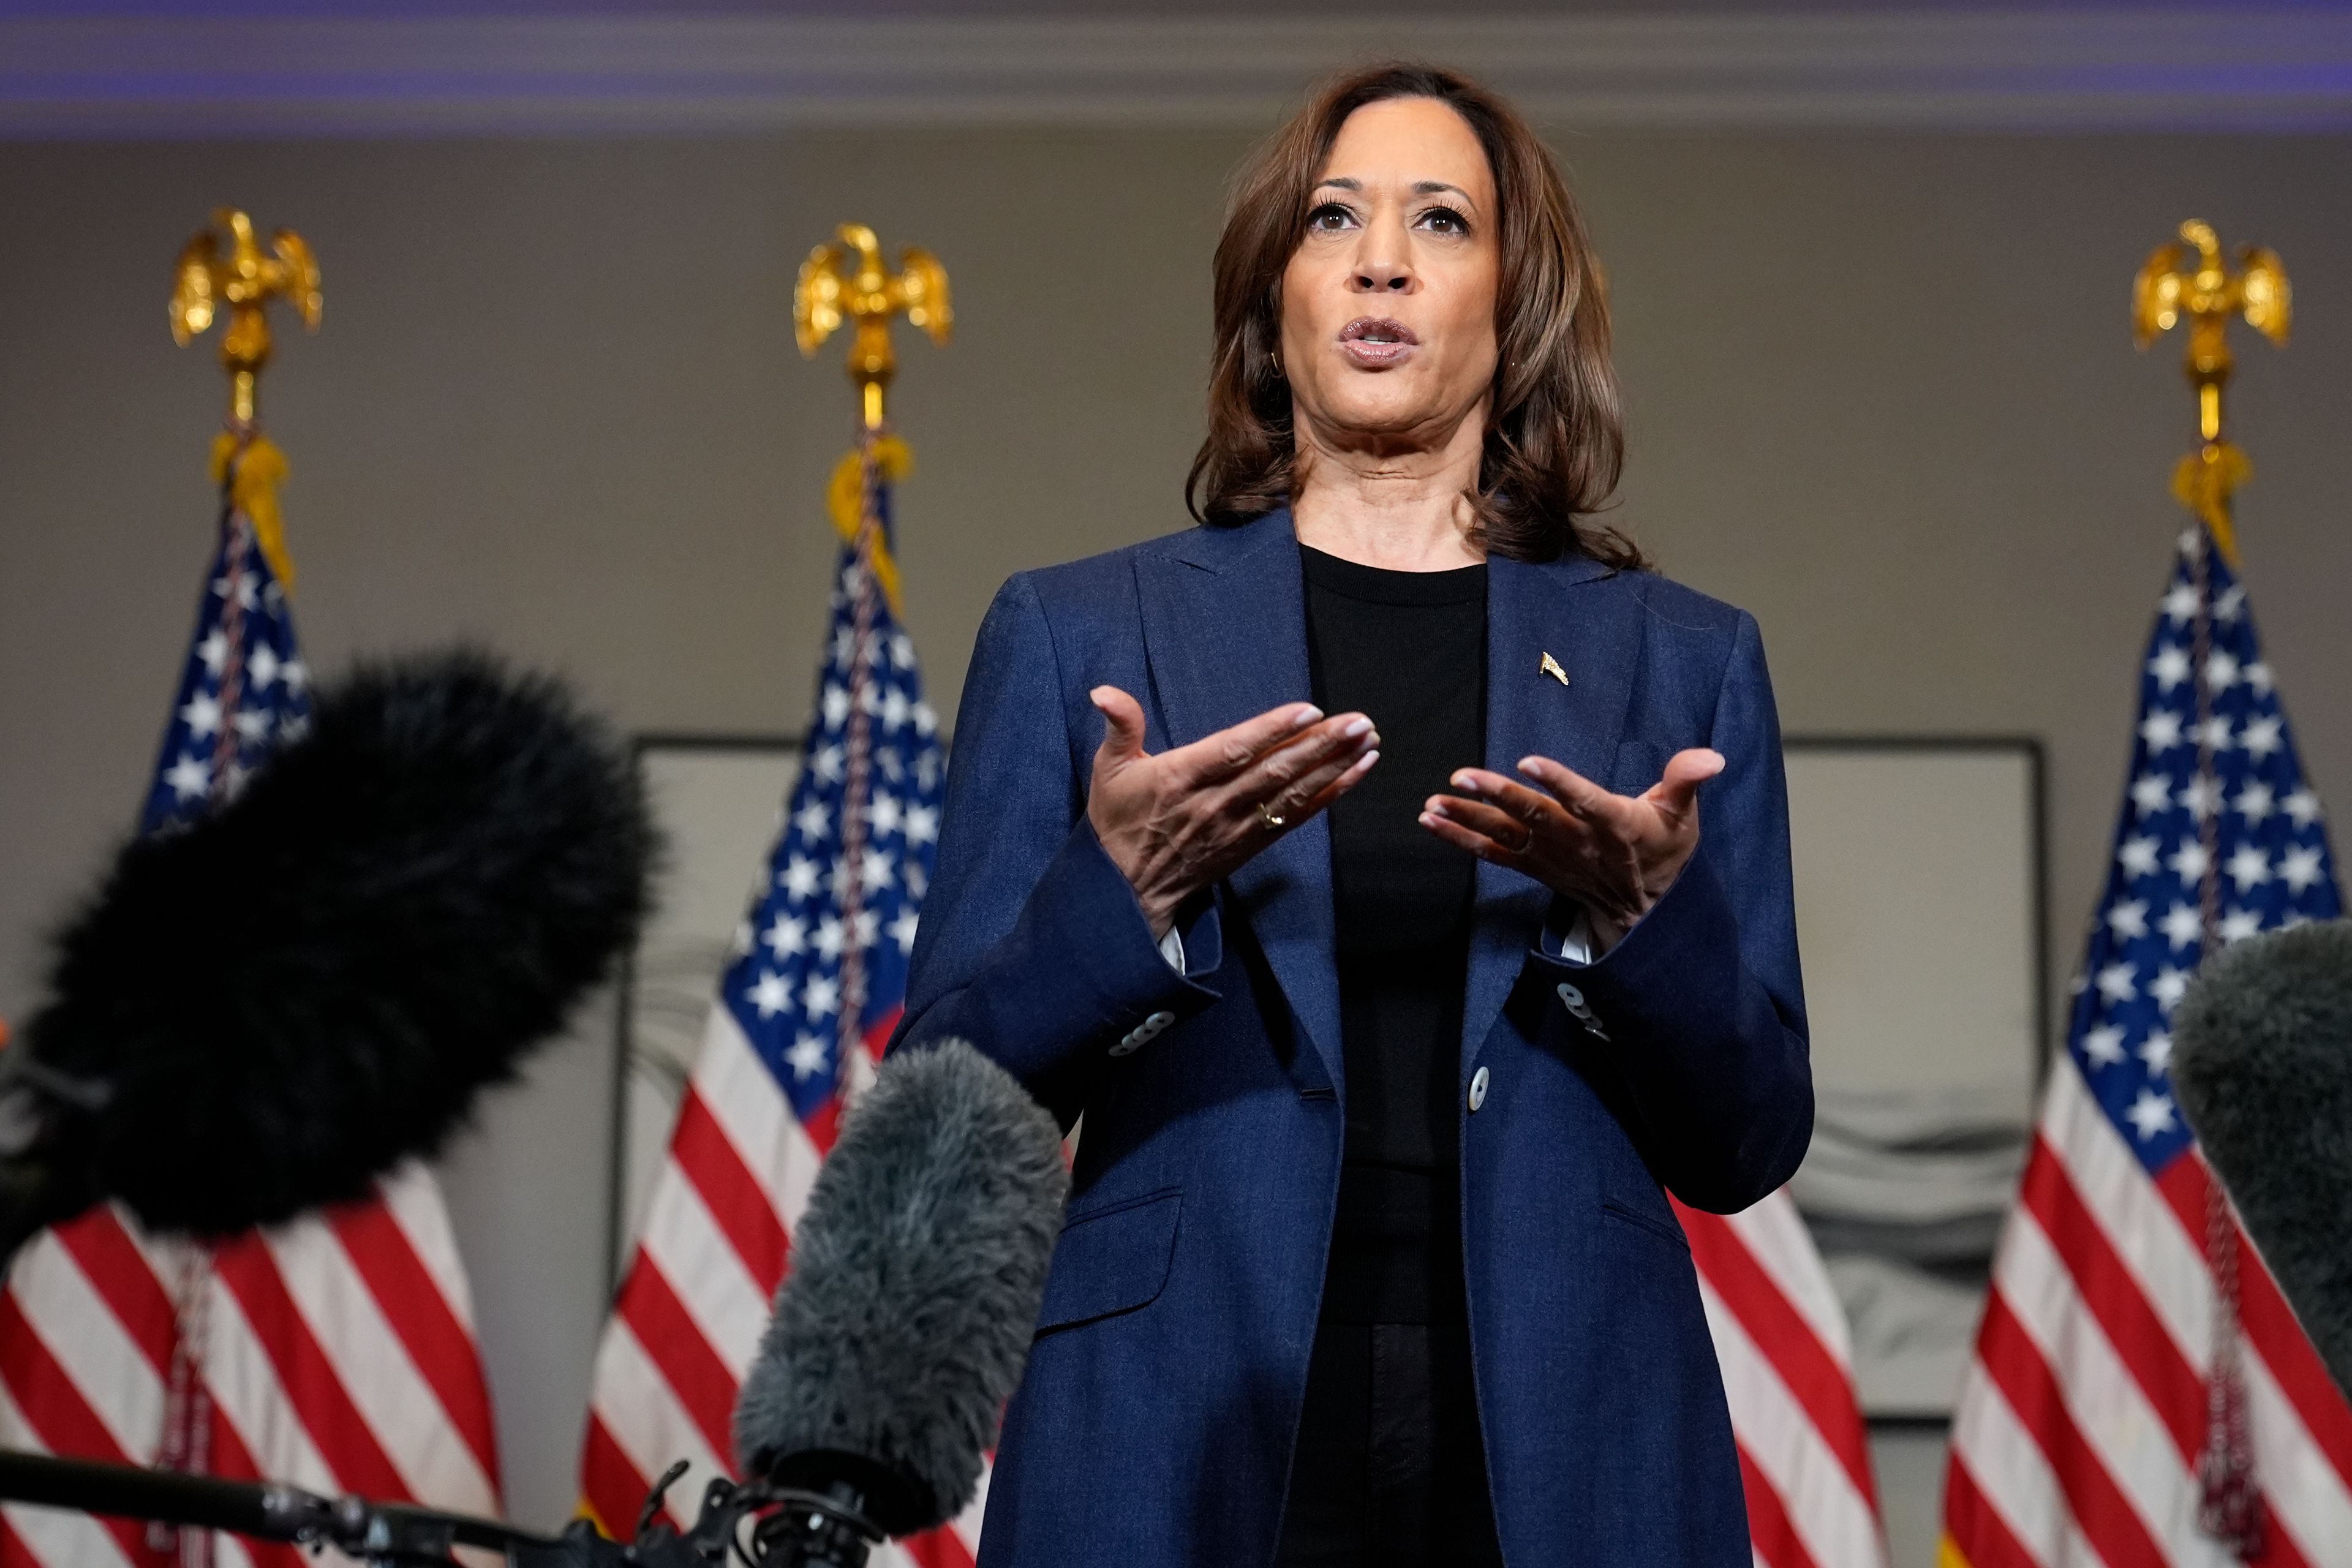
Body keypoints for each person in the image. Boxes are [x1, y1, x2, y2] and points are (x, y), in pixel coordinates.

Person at [894, 61, 1811, 1568]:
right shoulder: (1080, 633)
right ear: (1276, 297)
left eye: (1441, 220)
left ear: (1516, 307)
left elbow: (1750, 1136)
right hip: (1175, 1407)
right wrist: (1114, 902)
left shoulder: (1682, 659)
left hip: (1563, 1422)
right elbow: (935, 1120)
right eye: (1336, 219)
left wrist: (1644, 926)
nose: (1383, 257)